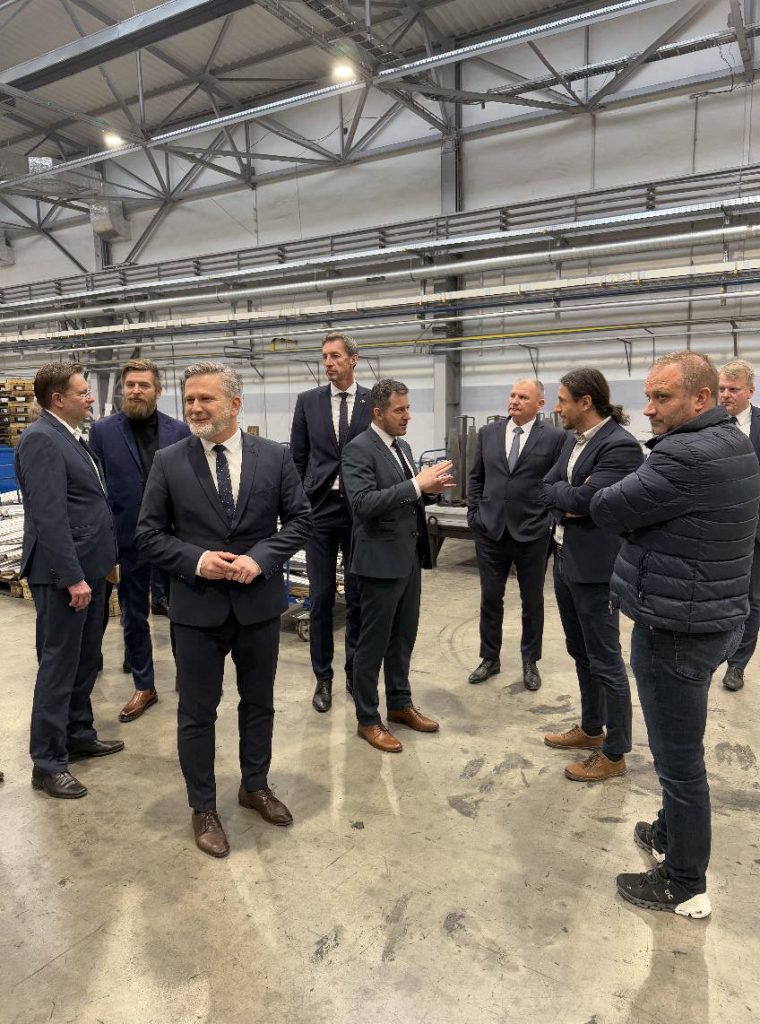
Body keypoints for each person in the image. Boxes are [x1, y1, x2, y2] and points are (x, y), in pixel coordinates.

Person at [591, 351, 760, 918]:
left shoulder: (683, 455)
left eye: (662, 398)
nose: (649, 408)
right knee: (679, 745)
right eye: (649, 396)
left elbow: (608, 508)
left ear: (702, 398)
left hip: (676, 628)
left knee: (678, 761)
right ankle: (668, 832)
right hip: (713, 615)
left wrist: (608, 491)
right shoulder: (733, 440)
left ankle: (684, 882)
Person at [135, 361, 311, 858]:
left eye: (205, 399)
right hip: (197, 610)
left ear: (234, 404)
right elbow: (148, 534)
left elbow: (301, 520)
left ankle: (254, 786)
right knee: (197, 712)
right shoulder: (169, 461)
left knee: (259, 703)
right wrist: (197, 560)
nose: (194, 408)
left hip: (258, 606)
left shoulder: (274, 457)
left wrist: (262, 558)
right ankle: (203, 807)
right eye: (189, 399)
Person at [15, 362, 123, 800]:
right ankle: (47, 763)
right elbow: (49, 516)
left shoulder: (70, 436)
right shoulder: (41, 438)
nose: (90, 398)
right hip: (65, 575)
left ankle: (77, 734)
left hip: (90, 568)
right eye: (83, 392)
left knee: (85, 660)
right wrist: (73, 578)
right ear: (58, 399)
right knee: (58, 666)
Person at [539, 369, 643, 782]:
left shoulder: (620, 446)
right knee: (579, 650)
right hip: (566, 557)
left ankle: (615, 753)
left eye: (563, 400)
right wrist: (567, 499)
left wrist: (570, 499)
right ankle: (591, 728)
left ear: (586, 402)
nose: (557, 407)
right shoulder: (573, 440)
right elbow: (547, 486)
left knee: (605, 658)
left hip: (597, 569)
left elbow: (588, 501)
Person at [341, 379, 453, 753]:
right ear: (378, 413)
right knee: (372, 645)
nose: (407, 416)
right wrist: (417, 485)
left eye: (408, 408)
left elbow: (406, 496)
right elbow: (362, 503)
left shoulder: (401, 447)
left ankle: (400, 704)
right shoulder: (359, 449)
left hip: (408, 559)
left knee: (403, 638)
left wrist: (429, 490)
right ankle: (367, 719)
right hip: (378, 563)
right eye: (399, 410)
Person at [89, 359, 189, 722]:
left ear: (157, 391)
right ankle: (145, 685)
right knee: (134, 616)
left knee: (181, 613)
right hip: (128, 539)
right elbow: (97, 489)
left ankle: (187, 678)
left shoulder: (179, 430)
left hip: (173, 537)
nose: (135, 391)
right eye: (130, 385)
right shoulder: (102, 431)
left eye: (143, 385)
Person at [290, 332, 373, 713]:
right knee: (321, 596)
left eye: (335, 356)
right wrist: (299, 503)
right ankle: (322, 677)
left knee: (357, 596)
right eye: (324, 356)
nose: (328, 363)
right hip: (320, 509)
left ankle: (355, 672)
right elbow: (298, 457)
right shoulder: (308, 401)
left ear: (353, 360)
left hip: (360, 510)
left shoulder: (373, 400)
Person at [467, 379, 565, 690]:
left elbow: (558, 482)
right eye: (512, 395)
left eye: (523, 397)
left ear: (540, 404)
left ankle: (530, 660)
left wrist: (549, 519)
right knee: (490, 598)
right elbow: (476, 477)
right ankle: (489, 658)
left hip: (532, 531)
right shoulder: (489, 433)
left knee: (531, 600)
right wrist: (474, 515)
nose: (515, 401)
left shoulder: (554, 438)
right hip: (490, 530)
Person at [717, 359, 760, 692]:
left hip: (756, 531)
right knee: (718, 595)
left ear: (750, 391)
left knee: (752, 600)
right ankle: (713, 654)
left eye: (733, 389)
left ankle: (737, 664)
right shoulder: (709, 424)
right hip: (715, 528)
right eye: (721, 389)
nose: (725, 395)